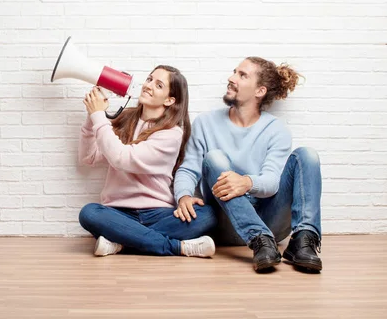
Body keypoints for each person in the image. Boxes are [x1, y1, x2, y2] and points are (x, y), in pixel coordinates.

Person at [173, 57, 323, 273]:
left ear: (259, 91)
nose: (231, 78)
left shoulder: (275, 130)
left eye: (242, 75)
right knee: (214, 158)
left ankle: (303, 241)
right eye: (234, 72)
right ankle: (257, 237)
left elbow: (272, 181)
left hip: (270, 225)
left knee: (307, 155)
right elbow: (188, 168)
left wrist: (246, 182)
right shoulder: (205, 123)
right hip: (227, 222)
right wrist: (184, 196)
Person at [78, 65, 217, 258]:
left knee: (207, 215)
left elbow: (121, 158)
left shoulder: (172, 134)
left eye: (158, 85)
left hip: (158, 213)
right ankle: (178, 247)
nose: (148, 85)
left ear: (170, 100)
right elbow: (89, 157)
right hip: (118, 213)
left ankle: (122, 242)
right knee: (89, 213)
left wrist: (98, 116)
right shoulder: (125, 119)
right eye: (150, 79)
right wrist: (91, 116)